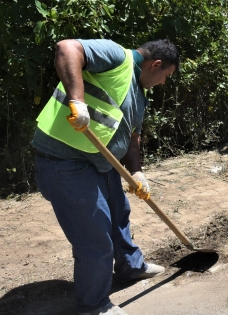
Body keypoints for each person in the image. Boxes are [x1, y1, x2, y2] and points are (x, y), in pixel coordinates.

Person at [32, 38, 179, 315]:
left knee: (118, 212)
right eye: (165, 76)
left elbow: (132, 135)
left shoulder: (139, 92)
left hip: (101, 163)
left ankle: (130, 267)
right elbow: (67, 48)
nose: (163, 83)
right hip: (66, 162)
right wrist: (77, 101)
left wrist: (136, 171)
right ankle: (94, 305)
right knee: (94, 235)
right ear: (155, 64)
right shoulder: (118, 57)